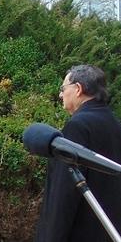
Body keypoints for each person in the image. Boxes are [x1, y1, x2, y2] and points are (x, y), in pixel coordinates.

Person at [35, 65, 121, 242]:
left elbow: (64, 194)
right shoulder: (114, 124)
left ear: (78, 89)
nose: (60, 95)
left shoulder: (78, 127)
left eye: (63, 89)